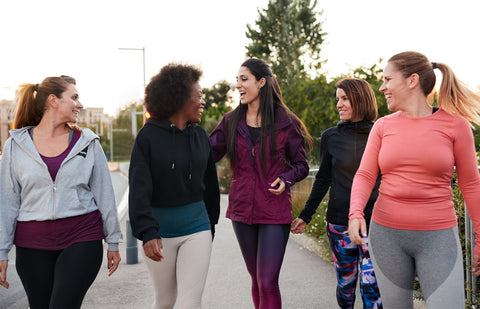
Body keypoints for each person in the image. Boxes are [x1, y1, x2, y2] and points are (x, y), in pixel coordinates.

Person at [348, 51, 480, 308]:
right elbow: (365, 174)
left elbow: (471, 185)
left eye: (388, 79)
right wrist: (355, 213)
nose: (382, 87)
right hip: (386, 236)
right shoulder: (382, 126)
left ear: (412, 80)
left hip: (438, 238)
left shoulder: (456, 126)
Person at [0, 75, 122, 309]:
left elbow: (105, 195)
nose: (80, 104)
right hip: (32, 243)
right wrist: (2, 250)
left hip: (82, 238)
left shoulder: (88, 142)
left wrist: (114, 241)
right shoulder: (15, 145)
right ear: (53, 100)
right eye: (74, 97)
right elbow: (7, 202)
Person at [209, 58, 312, 309]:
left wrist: (286, 179)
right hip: (242, 210)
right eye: (237, 80)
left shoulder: (287, 122)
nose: (238, 85)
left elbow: (301, 166)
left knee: (267, 281)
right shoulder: (231, 121)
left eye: (244, 79)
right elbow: (208, 153)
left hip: (274, 211)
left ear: (261, 82)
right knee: (256, 279)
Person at [128, 63, 220, 309]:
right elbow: (138, 189)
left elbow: (210, 184)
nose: (203, 101)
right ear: (179, 97)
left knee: (190, 302)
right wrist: (147, 232)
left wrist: (211, 223)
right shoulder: (147, 138)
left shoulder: (200, 136)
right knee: (165, 300)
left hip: (197, 227)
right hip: (159, 233)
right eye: (199, 95)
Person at [291, 78, 382, 308]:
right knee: (346, 285)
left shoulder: (381, 133)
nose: (339, 104)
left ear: (360, 100)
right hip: (339, 223)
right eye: (337, 100)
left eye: (344, 98)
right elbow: (323, 179)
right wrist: (306, 215)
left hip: (375, 222)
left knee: (372, 286)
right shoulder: (331, 136)